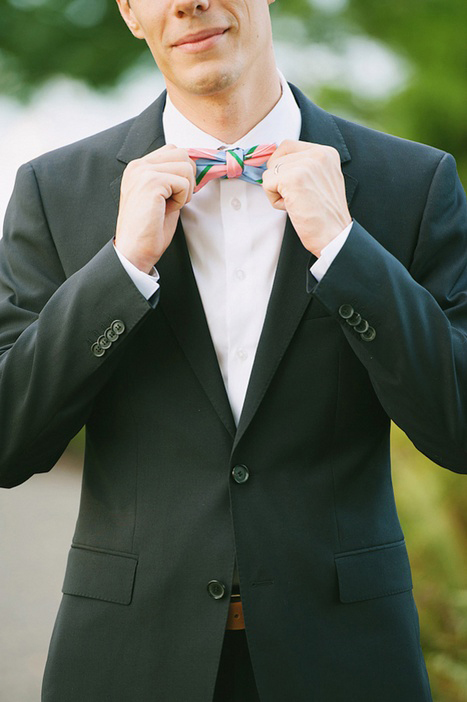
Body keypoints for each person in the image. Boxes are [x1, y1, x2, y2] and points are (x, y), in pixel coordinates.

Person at [1, 0, 466, 699]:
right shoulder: (51, 190)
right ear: (130, 11)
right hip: (125, 661)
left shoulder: (416, 183)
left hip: (347, 660)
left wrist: (344, 250)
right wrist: (120, 269)